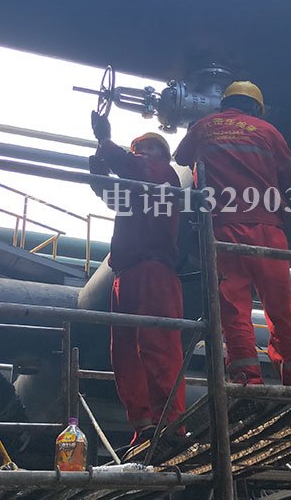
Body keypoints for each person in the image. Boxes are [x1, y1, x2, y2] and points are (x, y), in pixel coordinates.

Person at [174, 81, 291, 387]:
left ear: (225, 103)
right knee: (281, 307)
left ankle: (247, 379)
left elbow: (181, 158)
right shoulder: (268, 131)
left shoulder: (204, 126)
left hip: (224, 228)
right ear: (256, 107)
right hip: (268, 228)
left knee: (234, 307)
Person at [89, 112, 185, 446]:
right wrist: (98, 174)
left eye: (148, 148)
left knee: (159, 347)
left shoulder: (163, 175)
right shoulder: (138, 187)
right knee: (126, 354)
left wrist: (105, 143)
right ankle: (144, 425)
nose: (141, 152)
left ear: (162, 156)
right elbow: (113, 195)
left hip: (153, 270)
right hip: (127, 274)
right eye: (137, 148)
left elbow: (133, 168)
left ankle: (170, 424)